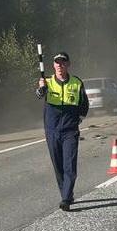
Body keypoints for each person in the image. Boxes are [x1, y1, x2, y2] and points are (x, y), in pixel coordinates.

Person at [35, 51, 89, 211]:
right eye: (57, 62)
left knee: (69, 165)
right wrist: (41, 89)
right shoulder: (47, 82)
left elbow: (84, 104)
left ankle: (65, 198)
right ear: (53, 65)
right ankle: (67, 193)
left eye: (63, 62)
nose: (60, 65)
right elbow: (39, 95)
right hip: (52, 131)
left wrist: (79, 118)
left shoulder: (77, 83)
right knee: (58, 166)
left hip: (69, 131)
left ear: (68, 64)